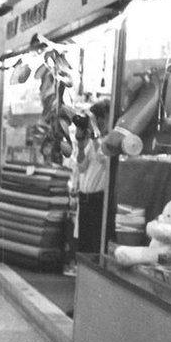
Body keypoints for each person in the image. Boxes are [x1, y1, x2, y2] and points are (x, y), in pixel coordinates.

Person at [66, 99, 112, 275]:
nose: (98, 122)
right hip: (85, 197)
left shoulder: (108, 141)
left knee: (95, 240)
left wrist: (95, 136)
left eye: (101, 119)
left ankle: (93, 275)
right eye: (96, 119)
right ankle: (83, 272)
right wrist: (80, 143)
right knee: (84, 239)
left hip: (99, 198)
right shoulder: (91, 142)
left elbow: (104, 158)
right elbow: (82, 166)